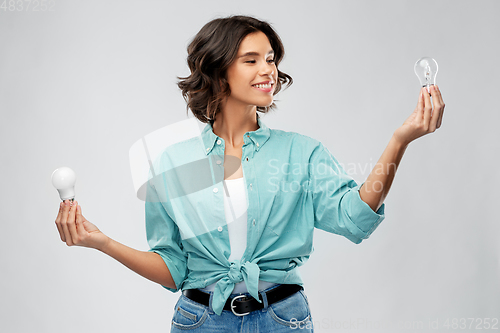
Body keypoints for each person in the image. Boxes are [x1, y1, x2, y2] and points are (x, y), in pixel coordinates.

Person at [54, 15, 445, 332]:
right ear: (219, 71)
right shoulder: (173, 164)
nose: (268, 70)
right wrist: (101, 241)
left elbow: (354, 219)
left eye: (271, 59)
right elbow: (173, 271)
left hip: (282, 319)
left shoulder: (301, 152)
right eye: (251, 59)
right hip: (199, 321)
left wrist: (400, 140)